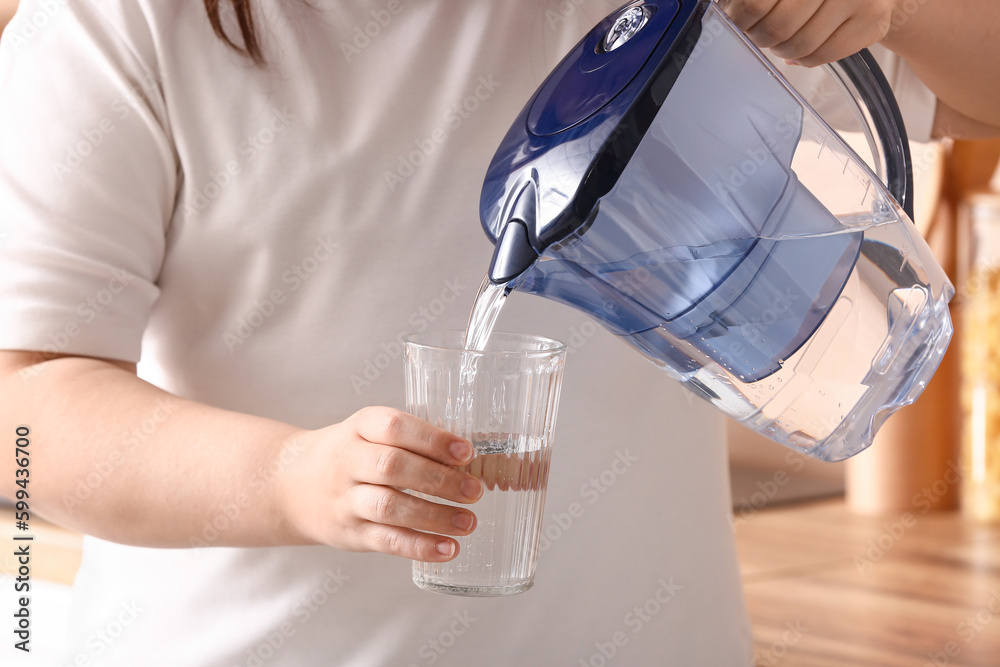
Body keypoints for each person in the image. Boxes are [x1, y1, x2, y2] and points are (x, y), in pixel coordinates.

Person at [0, 1, 994, 665]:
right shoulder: (110, 26)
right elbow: (21, 413)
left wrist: (899, 7)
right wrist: (291, 478)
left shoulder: (656, 15)